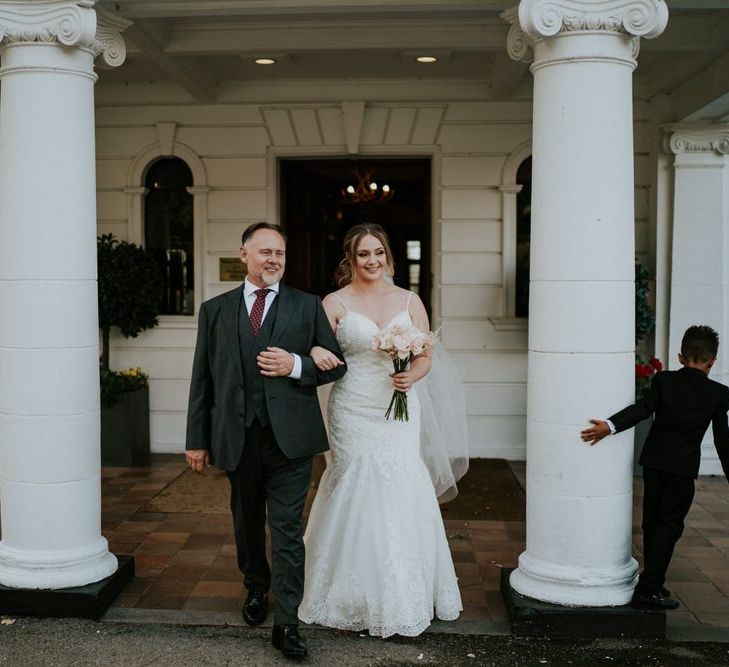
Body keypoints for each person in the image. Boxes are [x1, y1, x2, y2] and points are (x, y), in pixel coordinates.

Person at [185, 222, 346, 661]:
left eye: (279, 252)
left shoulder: (306, 305)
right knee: (247, 521)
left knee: (287, 529)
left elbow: (336, 367)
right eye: (264, 252)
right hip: (236, 439)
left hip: (290, 440)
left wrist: (296, 364)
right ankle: (256, 588)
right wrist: (196, 439)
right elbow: (203, 380)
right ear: (244, 255)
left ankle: (288, 621)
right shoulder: (214, 310)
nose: (273, 259)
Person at [298, 223, 463, 637]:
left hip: (399, 407)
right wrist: (317, 349)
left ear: (387, 256)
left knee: (398, 484)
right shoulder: (334, 303)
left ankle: (402, 593)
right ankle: (348, 593)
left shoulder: (409, 300)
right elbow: (317, 346)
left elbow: (426, 355)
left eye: (377, 253)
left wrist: (413, 377)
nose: (371, 261)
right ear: (350, 260)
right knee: (356, 482)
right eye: (362, 255)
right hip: (352, 406)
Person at [581, 325, 729, 610]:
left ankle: (652, 580)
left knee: (651, 523)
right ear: (712, 361)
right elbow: (723, 441)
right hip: (682, 470)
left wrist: (610, 425)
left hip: (654, 463)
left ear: (680, 356)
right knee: (669, 527)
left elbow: (643, 409)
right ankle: (648, 590)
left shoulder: (664, 381)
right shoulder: (719, 394)